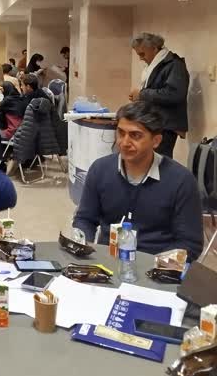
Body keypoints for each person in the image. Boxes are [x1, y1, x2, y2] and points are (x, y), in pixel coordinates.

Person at [73, 101, 203, 260]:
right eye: (121, 133)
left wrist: (154, 265)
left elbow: (190, 243)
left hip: (156, 266)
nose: (124, 143)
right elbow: (85, 219)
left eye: (135, 135)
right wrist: (83, 245)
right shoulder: (100, 170)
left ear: (156, 141)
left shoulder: (181, 181)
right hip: (107, 263)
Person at [129, 32, 189, 159]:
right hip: (156, 122)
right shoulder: (157, 65)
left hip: (166, 124)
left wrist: (142, 94)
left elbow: (174, 94)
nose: (140, 58)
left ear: (154, 48)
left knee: (160, 162)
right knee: (150, 160)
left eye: (142, 54)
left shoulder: (174, 65)